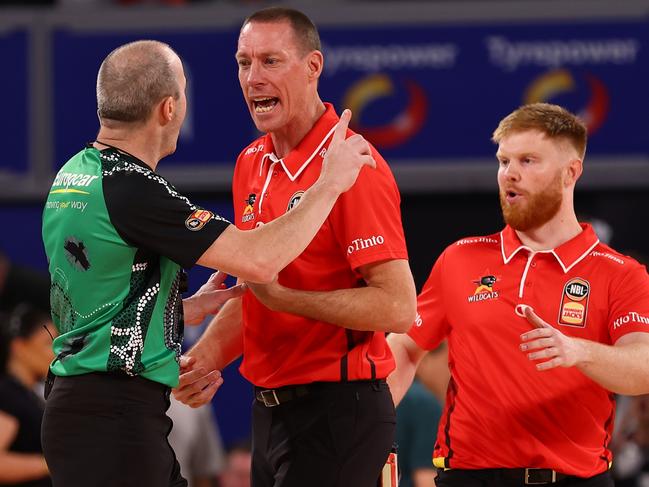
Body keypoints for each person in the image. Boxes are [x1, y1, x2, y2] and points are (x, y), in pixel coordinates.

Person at [40, 39, 375, 487]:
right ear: (169, 109)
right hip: (114, 417)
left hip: (83, 410)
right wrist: (328, 184)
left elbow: (94, 293)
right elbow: (259, 260)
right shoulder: (135, 190)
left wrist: (180, 309)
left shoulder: (74, 174)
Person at [174, 7, 417, 487]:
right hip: (269, 412)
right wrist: (202, 360)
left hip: (338, 414)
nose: (253, 78)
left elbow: (398, 306)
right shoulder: (251, 162)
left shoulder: (352, 164)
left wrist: (289, 301)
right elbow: (257, 294)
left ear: (313, 67)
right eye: (244, 63)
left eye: (270, 61)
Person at [387, 102, 649, 487]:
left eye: (528, 161)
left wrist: (579, 351)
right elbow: (407, 347)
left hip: (574, 479)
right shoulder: (461, 259)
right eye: (503, 161)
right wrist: (365, 428)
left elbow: (642, 367)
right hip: (468, 478)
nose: (510, 174)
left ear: (570, 172)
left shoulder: (620, 273)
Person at [0, 304, 57, 487]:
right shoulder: (8, 394)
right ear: (19, 347)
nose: (56, 353)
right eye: (48, 344)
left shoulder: (30, 394)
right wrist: (52, 464)